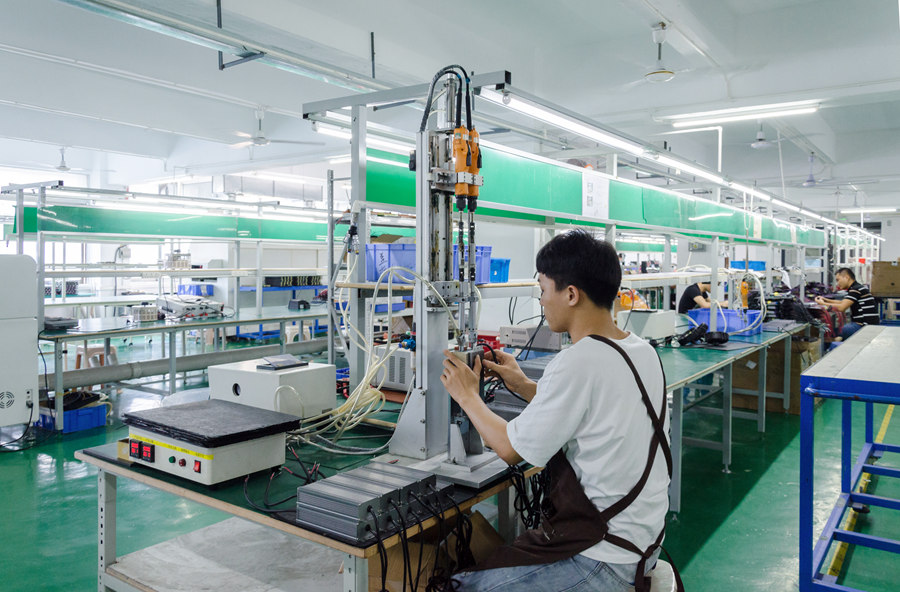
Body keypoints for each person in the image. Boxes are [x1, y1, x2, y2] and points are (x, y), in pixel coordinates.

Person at [440, 230, 672, 592]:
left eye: (543, 289)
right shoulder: (642, 350)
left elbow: (510, 449)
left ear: (571, 294)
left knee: (459, 585)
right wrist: (522, 384)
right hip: (643, 546)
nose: (542, 300)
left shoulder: (578, 360)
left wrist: (467, 395)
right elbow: (593, 411)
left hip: (603, 560)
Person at [814, 267, 879, 340]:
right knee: (837, 331)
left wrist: (823, 304)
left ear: (847, 277)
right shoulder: (857, 288)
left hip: (865, 326)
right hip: (868, 325)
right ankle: (837, 341)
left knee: (833, 332)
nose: (837, 283)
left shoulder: (856, 289)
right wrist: (826, 300)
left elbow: (842, 307)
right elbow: (843, 302)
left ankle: (830, 344)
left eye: (838, 280)